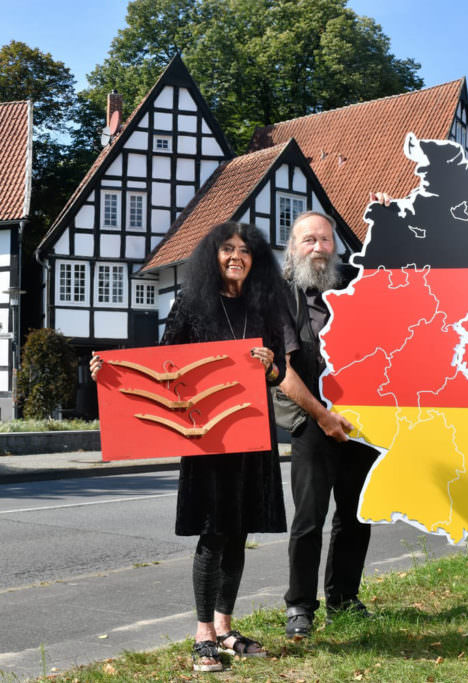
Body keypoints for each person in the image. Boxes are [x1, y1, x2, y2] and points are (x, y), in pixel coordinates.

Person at [91, 222, 287, 672]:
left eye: (245, 250)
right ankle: (203, 635)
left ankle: (225, 628)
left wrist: (270, 367)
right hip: (207, 437)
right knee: (213, 532)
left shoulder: (264, 305)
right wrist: (110, 373)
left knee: (239, 530)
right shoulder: (192, 303)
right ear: (212, 256)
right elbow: (162, 365)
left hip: (250, 432)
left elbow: (277, 374)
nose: (236, 256)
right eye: (227, 249)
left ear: (255, 259)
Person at [276, 211, 380, 640]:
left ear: (335, 246)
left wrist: (387, 218)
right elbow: (282, 371)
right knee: (308, 520)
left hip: (360, 422)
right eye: (308, 240)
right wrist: (323, 416)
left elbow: (397, 271)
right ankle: (300, 606)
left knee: (356, 516)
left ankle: (344, 599)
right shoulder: (281, 297)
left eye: (325, 239)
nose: (318, 247)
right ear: (293, 248)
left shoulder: (354, 284)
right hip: (312, 422)